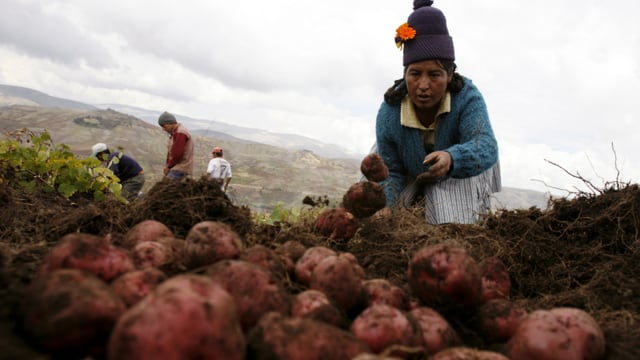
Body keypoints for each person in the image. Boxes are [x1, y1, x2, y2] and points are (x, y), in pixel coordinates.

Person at [375, 0, 501, 224]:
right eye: (415, 74)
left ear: (450, 75)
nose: (423, 85)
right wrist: (386, 204)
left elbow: (487, 146)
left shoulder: (467, 98)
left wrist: (452, 159)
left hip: (458, 170)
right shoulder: (390, 111)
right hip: (410, 169)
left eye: (434, 75)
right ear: (405, 74)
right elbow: (391, 170)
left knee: (450, 226)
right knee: (383, 208)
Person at [158, 111, 194, 180]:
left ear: (170, 123)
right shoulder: (175, 132)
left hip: (180, 168)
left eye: (164, 126)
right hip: (176, 168)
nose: (163, 129)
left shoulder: (180, 133)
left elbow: (177, 154)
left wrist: (169, 167)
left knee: (165, 188)